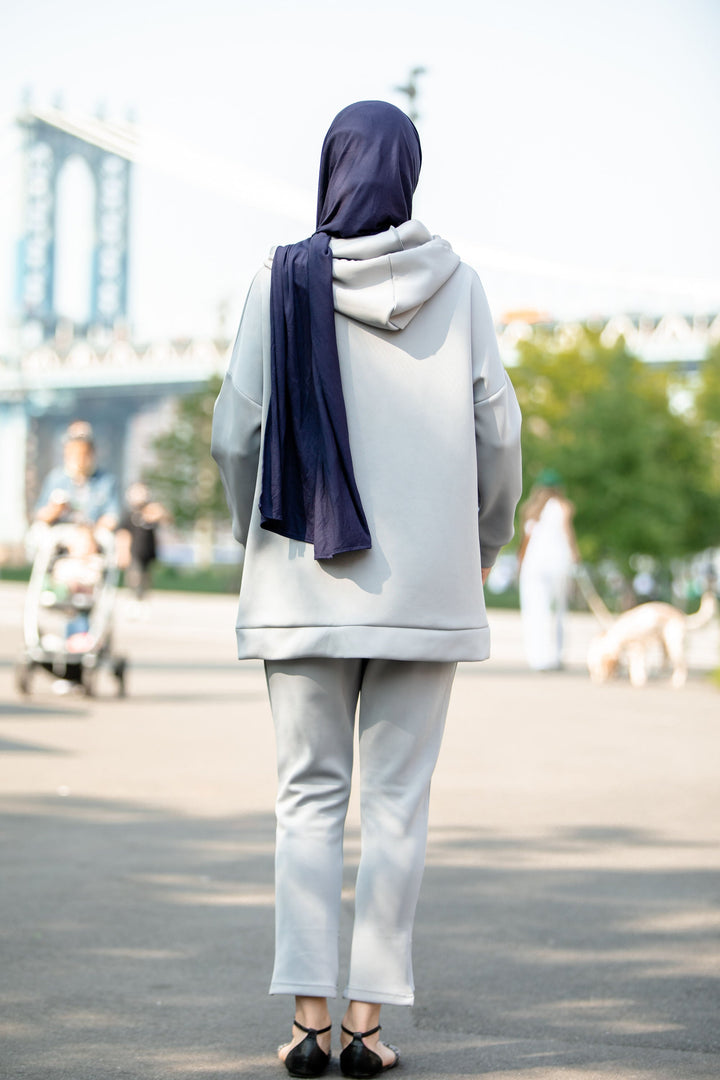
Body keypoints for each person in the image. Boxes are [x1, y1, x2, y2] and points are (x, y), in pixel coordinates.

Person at [211, 101, 522, 1078]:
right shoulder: (459, 282)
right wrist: (480, 540)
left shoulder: (278, 279)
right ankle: (368, 1029)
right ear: (410, 175)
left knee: (307, 797)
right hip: (422, 590)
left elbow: (233, 432)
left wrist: (250, 536)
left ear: (330, 169)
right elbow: (499, 428)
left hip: (303, 581)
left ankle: (307, 1021)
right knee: (397, 805)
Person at [517, 471, 579, 671]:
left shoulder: (532, 510)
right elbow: (568, 532)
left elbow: (525, 540)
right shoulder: (563, 506)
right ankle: (556, 655)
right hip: (558, 563)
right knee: (558, 611)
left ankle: (539, 658)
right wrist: (575, 554)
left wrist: (520, 563)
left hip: (534, 565)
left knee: (535, 610)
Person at [35, 420, 120, 531]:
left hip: (93, 535)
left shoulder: (106, 481)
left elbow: (112, 517)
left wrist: (89, 532)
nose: (79, 458)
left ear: (92, 453)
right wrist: (54, 510)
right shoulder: (55, 478)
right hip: (60, 534)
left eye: (83, 453)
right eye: (74, 452)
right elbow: (40, 515)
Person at [117, 482, 169, 608]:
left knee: (145, 578)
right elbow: (123, 534)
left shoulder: (152, 511)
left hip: (148, 552)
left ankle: (142, 599)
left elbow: (166, 521)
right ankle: (134, 599)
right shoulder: (129, 514)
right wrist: (123, 553)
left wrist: (160, 513)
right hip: (134, 552)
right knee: (134, 576)